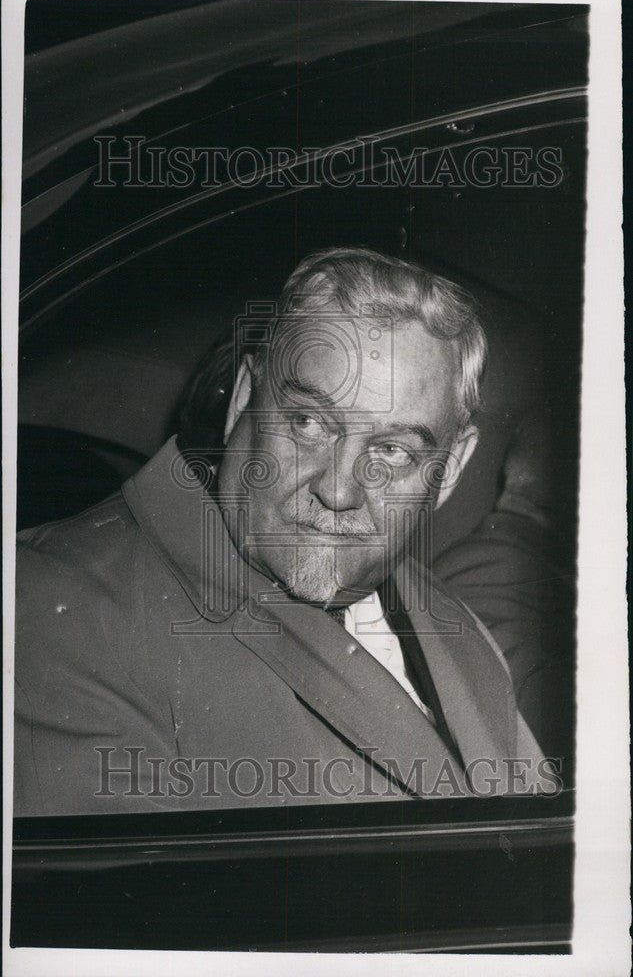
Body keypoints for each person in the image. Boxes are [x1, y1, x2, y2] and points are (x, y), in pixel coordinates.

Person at [14, 247, 564, 816]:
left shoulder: (457, 626)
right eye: (308, 423)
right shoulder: (57, 607)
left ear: (448, 472)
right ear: (245, 402)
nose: (340, 490)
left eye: (394, 451)